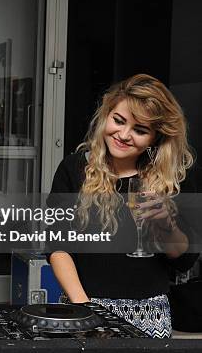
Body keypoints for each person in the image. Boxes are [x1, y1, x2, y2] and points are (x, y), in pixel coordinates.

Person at [47, 74, 199, 338]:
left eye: (140, 130)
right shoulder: (73, 169)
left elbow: (184, 260)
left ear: (155, 137)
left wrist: (166, 225)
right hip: (84, 309)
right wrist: (86, 309)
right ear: (107, 114)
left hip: (150, 317)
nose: (124, 135)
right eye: (118, 121)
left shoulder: (175, 179)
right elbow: (56, 246)